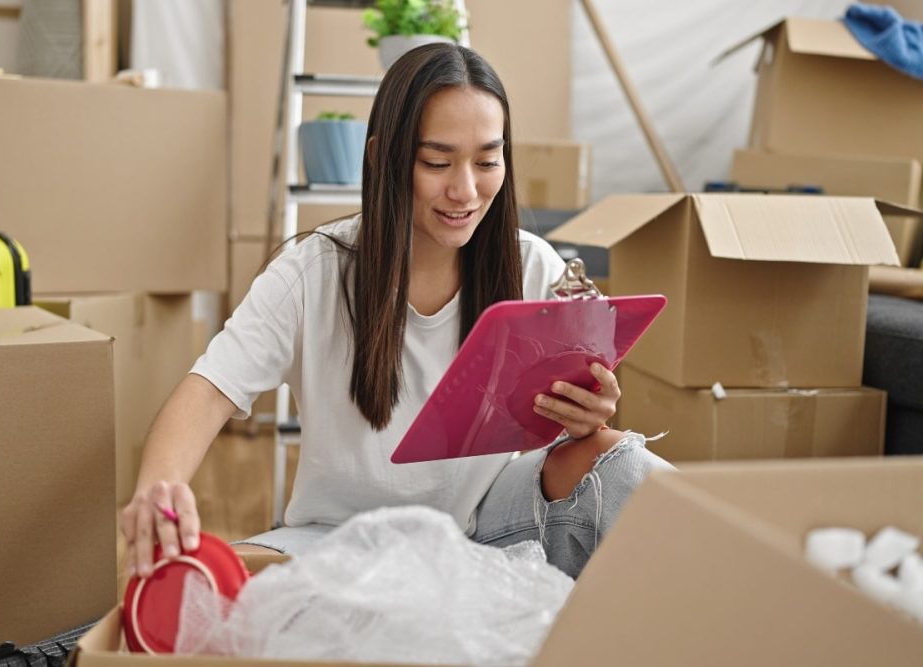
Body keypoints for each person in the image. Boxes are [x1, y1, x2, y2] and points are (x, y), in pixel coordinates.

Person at [121, 43, 673, 581]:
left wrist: (590, 412)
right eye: (437, 162)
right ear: (384, 155)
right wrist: (158, 489)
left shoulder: (534, 266)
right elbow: (207, 390)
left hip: (487, 528)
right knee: (217, 587)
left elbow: (581, 432)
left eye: (487, 160)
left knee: (618, 460)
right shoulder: (313, 272)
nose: (465, 190)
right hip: (337, 539)